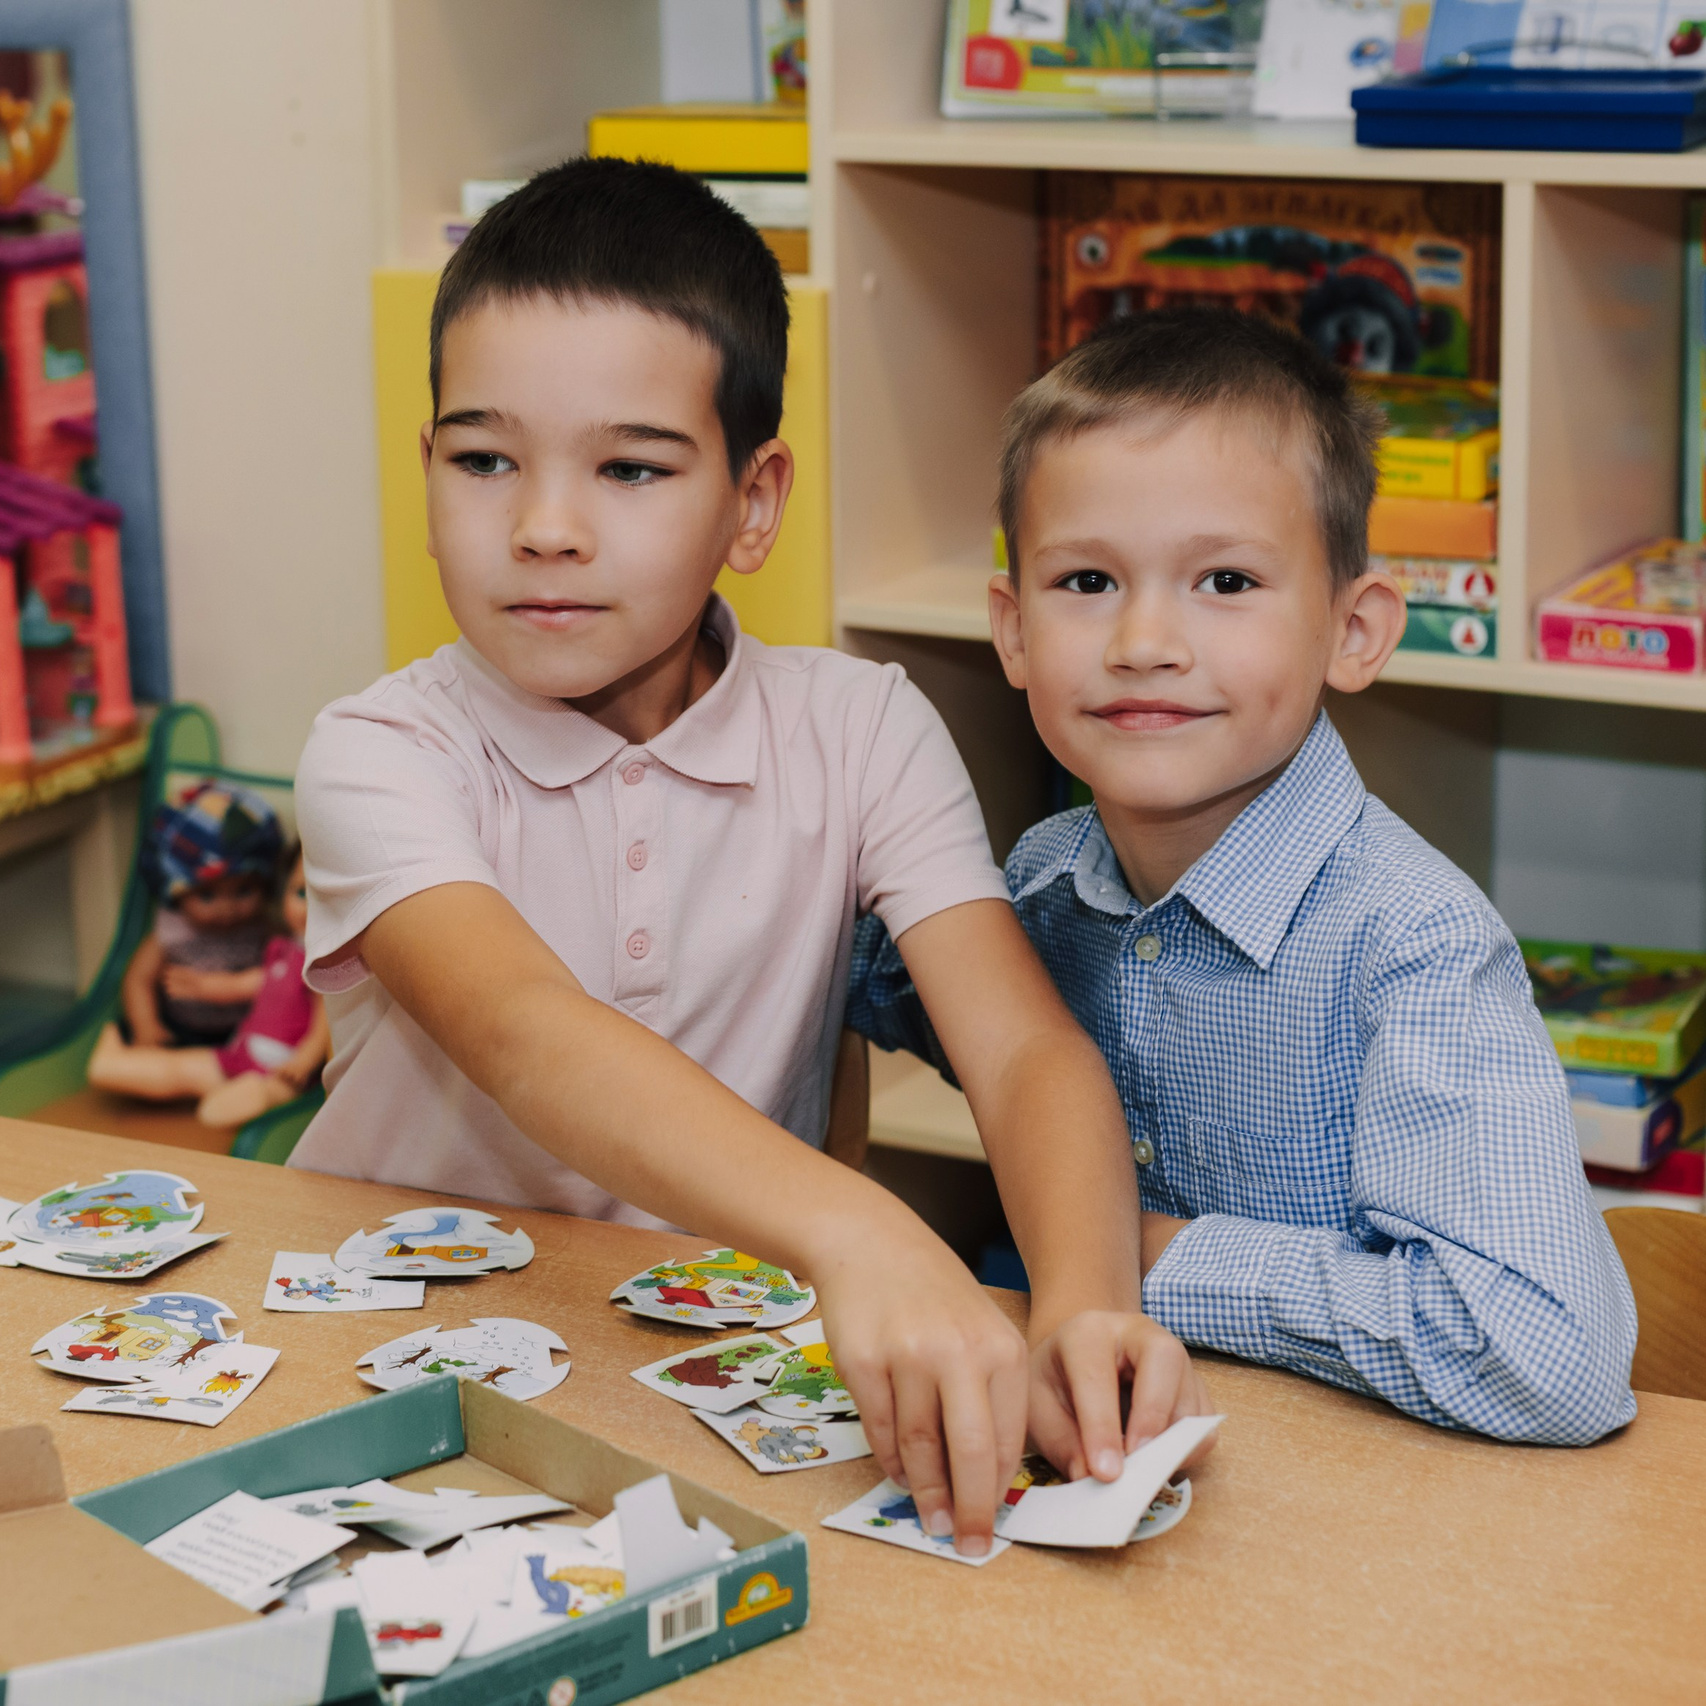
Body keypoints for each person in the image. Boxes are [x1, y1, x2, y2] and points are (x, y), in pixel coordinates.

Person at [289, 157, 1209, 1555]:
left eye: (630, 468)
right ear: (426, 471)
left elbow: (1024, 1049)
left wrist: (1085, 1304)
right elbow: (528, 1031)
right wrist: (861, 1228)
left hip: (692, 1366)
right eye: (483, 460)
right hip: (386, 1360)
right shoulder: (377, 751)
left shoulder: (862, 727)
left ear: (753, 500)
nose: (543, 526)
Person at [849, 306, 1637, 1445]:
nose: (1143, 642)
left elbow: (1547, 1355)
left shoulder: (1414, 943)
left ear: (1352, 631)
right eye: (1086, 581)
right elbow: (874, 977)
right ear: (1011, 632)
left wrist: (1155, 1256)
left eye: (1223, 580)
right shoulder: (1044, 880)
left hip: (1372, 1509)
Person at [89, 782, 290, 1116]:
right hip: (180, 1025)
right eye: (207, 895)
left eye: (244, 890)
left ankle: (220, 1085)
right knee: (134, 1039)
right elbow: (139, 979)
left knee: (267, 1054)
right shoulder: (173, 930)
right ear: (175, 891)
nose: (227, 909)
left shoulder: (262, 928)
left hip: (240, 1030)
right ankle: (145, 1070)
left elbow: (286, 969)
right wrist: (146, 1027)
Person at [93, 845, 328, 1127]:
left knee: (275, 1091)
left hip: (285, 1069)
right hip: (239, 1055)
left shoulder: (326, 964)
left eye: (326, 898)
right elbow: (248, 984)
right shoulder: (284, 951)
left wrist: (305, 1060)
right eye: (301, 893)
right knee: (179, 1070)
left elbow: (325, 1022)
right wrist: (202, 987)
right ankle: (112, 1065)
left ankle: (254, 1096)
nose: (310, 909)